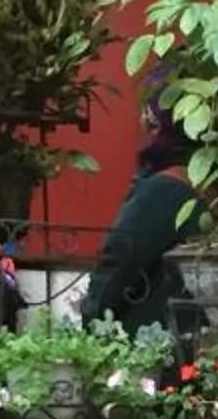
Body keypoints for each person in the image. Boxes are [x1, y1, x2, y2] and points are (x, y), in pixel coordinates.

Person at [83, 114, 196, 333]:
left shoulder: (164, 189)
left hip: (151, 333)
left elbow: (121, 255)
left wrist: (93, 317)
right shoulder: (215, 189)